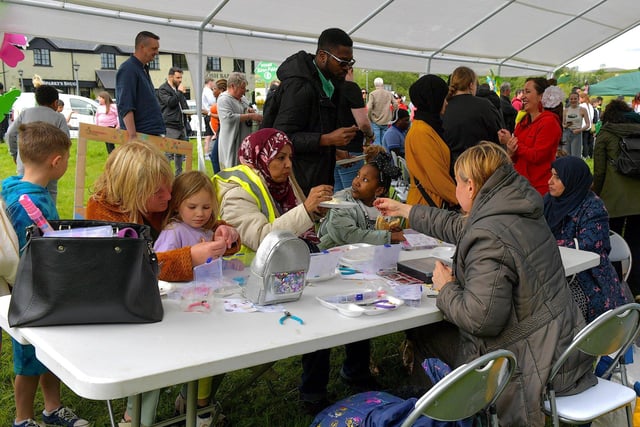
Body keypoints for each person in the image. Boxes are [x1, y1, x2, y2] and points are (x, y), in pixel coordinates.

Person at [374, 142, 596, 426]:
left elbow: (481, 320)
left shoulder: (489, 236)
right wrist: (404, 210)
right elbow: (458, 226)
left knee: (425, 336)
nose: (455, 190)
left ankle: (441, 417)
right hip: (563, 346)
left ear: (470, 186)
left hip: (531, 363)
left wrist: (446, 287)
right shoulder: (516, 208)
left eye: (457, 182)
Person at [216, 129, 376, 412]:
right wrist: (306, 210)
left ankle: (357, 373)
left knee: (355, 295)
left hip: (295, 265)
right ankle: (313, 394)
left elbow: (300, 219)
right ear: (260, 158)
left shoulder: (282, 180)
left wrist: (316, 211)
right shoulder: (236, 191)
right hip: (254, 281)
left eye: (290, 157)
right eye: (280, 157)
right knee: (318, 315)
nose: (289, 164)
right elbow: (263, 237)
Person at [86, 141, 239, 425]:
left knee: (222, 339)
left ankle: (194, 400)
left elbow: (199, 222)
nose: (170, 196)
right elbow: (133, 267)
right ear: (133, 190)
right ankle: (138, 418)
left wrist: (223, 230)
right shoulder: (103, 213)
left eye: (168, 186)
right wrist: (189, 257)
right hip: (126, 309)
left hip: (175, 301)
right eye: (159, 191)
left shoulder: (156, 202)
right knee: (153, 358)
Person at [2, 122, 89, 427]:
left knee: (51, 354)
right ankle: (22, 419)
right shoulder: (32, 202)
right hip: (33, 293)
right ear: (57, 161)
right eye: (67, 158)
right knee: (27, 361)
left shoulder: (11, 185)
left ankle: (52, 408)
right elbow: (43, 251)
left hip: (36, 290)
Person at [154, 170, 239, 427]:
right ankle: (199, 407)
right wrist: (191, 255)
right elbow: (158, 265)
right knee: (202, 354)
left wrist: (227, 244)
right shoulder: (174, 230)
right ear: (178, 203)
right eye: (192, 207)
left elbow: (216, 260)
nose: (200, 213)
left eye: (205, 207)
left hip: (208, 304)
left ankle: (196, 403)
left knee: (216, 351)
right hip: (183, 310)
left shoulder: (206, 228)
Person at [262, 27, 359, 196]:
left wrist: (334, 149)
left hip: (315, 175)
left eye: (350, 63)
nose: (346, 68)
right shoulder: (299, 86)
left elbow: (312, 125)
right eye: (343, 62)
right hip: (297, 179)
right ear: (322, 56)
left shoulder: (329, 84)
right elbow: (282, 137)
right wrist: (327, 139)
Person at [544, 156, 628, 322]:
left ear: (572, 179)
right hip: (555, 270)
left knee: (558, 312)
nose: (550, 181)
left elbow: (589, 246)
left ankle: (576, 344)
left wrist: (545, 245)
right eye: (551, 175)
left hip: (589, 277)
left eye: (557, 177)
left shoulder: (593, 207)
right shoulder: (549, 202)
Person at [593, 99, 640, 296]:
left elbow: (600, 171)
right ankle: (637, 285)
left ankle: (616, 284)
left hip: (613, 198)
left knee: (612, 242)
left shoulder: (605, 133)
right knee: (636, 242)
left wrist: (597, 194)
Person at [318, 147, 404, 249]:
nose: (356, 182)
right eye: (357, 175)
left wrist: (392, 230)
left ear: (379, 190)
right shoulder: (341, 201)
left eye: (365, 180)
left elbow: (381, 238)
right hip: (333, 255)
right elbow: (346, 234)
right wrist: (390, 237)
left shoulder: (386, 208)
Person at [6, 84, 69, 205]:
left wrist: (14, 153)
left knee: (23, 194)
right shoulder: (59, 118)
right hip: (50, 165)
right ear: (56, 103)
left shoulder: (25, 113)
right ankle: (48, 220)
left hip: (25, 162)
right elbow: (66, 141)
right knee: (49, 196)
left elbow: (10, 134)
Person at [498, 78, 562, 195]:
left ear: (541, 96)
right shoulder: (523, 122)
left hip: (538, 188)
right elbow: (516, 157)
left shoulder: (549, 122)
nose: (522, 97)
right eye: (523, 92)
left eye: (527, 92)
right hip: (520, 185)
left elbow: (537, 156)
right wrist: (510, 149)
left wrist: (512, 141)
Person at [404, 75, 457, 209]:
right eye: (443, 98)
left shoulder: (428, 127)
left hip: (430, 205)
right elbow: (437, 177)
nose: (446, 103)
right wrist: (460, 200)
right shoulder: (421, 132)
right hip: (427, 209)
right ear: (434, 100)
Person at [442, 66, 504, 173]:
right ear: (471, 85)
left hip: (453, 169)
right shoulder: (485, 105)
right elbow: (498, 135)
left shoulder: (444, 107)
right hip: (481, 168)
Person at [115, 31, 165, 140]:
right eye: (154, 48)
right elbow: (126, 105)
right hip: (141, 136)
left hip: (148, 135)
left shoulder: (141, 69)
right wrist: (132, 136)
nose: (157, 52)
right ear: (142, 47)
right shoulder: (129, 69)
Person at [333, 66, 374, 192]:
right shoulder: (350, 88)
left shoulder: (328, 88)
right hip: (351, 151)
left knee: (336, 197)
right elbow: (363, 123)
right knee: (353, 194)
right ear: (350, 71)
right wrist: (370, 135)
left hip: (332, 149)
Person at [217, 72, 262, 169]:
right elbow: (228, 118)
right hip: (231, 141)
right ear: (233, 86)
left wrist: (248, 110)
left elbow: (244, 109)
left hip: (244, 140)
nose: (244, 91)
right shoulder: (223, 99)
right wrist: (250, 116)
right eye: (242, 88)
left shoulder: (243, 98)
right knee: (232, 168)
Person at [157, 67, 190, 176]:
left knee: (180, 152)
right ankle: (166, 175)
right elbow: (171, 102)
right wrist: (179, 92)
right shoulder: (163, 89)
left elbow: (182, 103)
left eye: (181, 77)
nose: (180, 80)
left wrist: (188, 115)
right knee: (168, 152)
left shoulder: (177, 89)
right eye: (178, 77)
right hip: (170, 125)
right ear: (170, 77)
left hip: (181, 125)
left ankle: (178, 175)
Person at [367, 77, 397, 144]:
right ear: (382, 84)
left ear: (375, 85)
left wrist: (369, 117)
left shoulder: (372, 94)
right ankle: (384, 153)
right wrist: (392, 114)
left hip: (375, 120)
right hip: (386, 120)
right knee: (384, 142)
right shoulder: (389, 93)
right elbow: (395, 104)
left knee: (376, 142)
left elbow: (369, 108)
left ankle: (378, 154)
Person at [562, 91, 590, 157]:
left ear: (578, 99)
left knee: (575, 155)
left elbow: (588, 124)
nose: (573, 100)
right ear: (569, 99)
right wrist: (565, 125)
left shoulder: (583, 110)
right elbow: (562, 124)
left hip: (577, 132)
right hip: (567, 133)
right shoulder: (566, 110)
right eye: (571, 99)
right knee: (566, 155)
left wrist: (580, 130)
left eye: (575, 98)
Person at [208, 78, 227, 173]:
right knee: (215, 157)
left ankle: (218, 178)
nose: (213, 91)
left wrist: (209, 114)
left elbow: (223, 116)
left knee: (214, 157)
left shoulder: (223, 99)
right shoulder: (222, 99)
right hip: (220, 132)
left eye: (214, 89)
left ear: (222, 90)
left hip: (223, 132)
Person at [202, 76, 216, 155]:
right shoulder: (208, 91)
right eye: (213, 82)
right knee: (211, 134)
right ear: (209, 82)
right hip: (209, 113)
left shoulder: (204, 91)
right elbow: (212, 101)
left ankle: (207, 152)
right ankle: (208, 152)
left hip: (207, 113)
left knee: (209, 134)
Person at [579, 92, 595, 159]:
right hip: (590, 125)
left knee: (584, 141)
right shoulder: (591, 106)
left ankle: (584, 155)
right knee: (589, 141)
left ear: (582, 98)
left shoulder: (581, 106)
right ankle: (589, 154)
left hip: (583, 125)